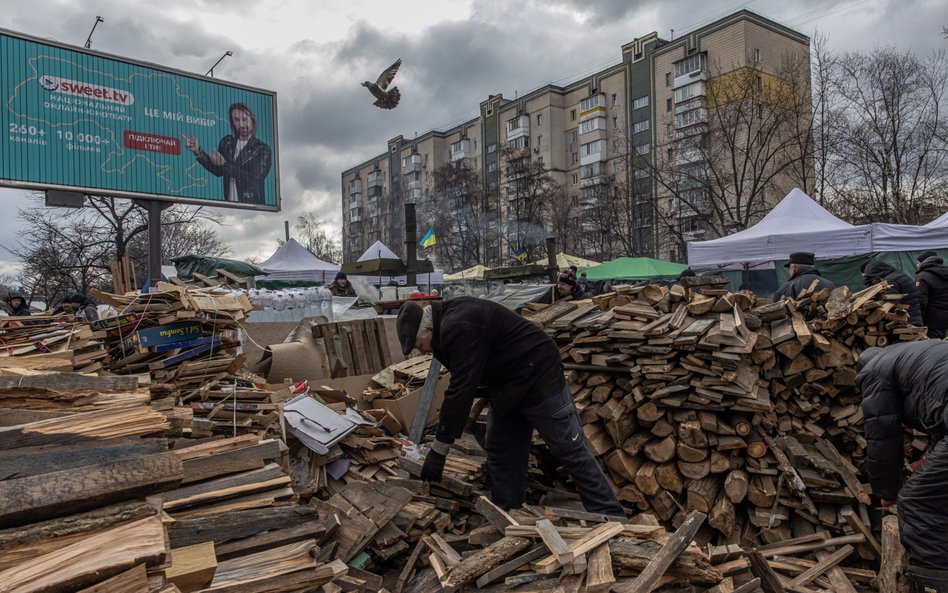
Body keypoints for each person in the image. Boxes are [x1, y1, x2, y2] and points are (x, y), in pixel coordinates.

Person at [395, 297, 624, 516]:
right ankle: (509, 514)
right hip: (507, 383)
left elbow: (461, 387)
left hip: (539, 375)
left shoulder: (458, 325)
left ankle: (611, 515)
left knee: (568, 447)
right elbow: (471, 375)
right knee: (501, 450)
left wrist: (439, 449)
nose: (422, 351)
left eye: (419, 345)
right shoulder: (446, 322)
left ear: (429, 330)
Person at [857, 343, 948, 592]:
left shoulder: (873, 372)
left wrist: (888, 492)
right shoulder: (920, 355)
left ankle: (935, 585)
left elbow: (884, 441)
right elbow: (939, 420)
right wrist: (930, 460)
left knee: (918, 501)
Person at [183, 103, 273, 205]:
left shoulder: (262, 149)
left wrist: (225, 165)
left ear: (252, 120)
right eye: (236, 120)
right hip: (229, 204)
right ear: (232, 122)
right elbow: (218, 170)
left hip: (253, 206)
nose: (241, 124)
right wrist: (198, 151)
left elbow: (255, 178)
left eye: (244, 119)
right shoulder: (227, 142)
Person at [862, 259, 923, 326]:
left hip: (906, 322)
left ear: (877, 274)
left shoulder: (890, 281)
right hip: (914, 317)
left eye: (873, 278)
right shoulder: (897, 275)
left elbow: (891, 304)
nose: (873, 282)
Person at [915, 251, 948, 339]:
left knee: (929, 349)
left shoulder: (923, 276)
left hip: (930, 323)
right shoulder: (945, 273)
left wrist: (917, 321)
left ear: (923, 262)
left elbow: (921, 302)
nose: (917, 265)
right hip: (944, 321)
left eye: (918, 263)